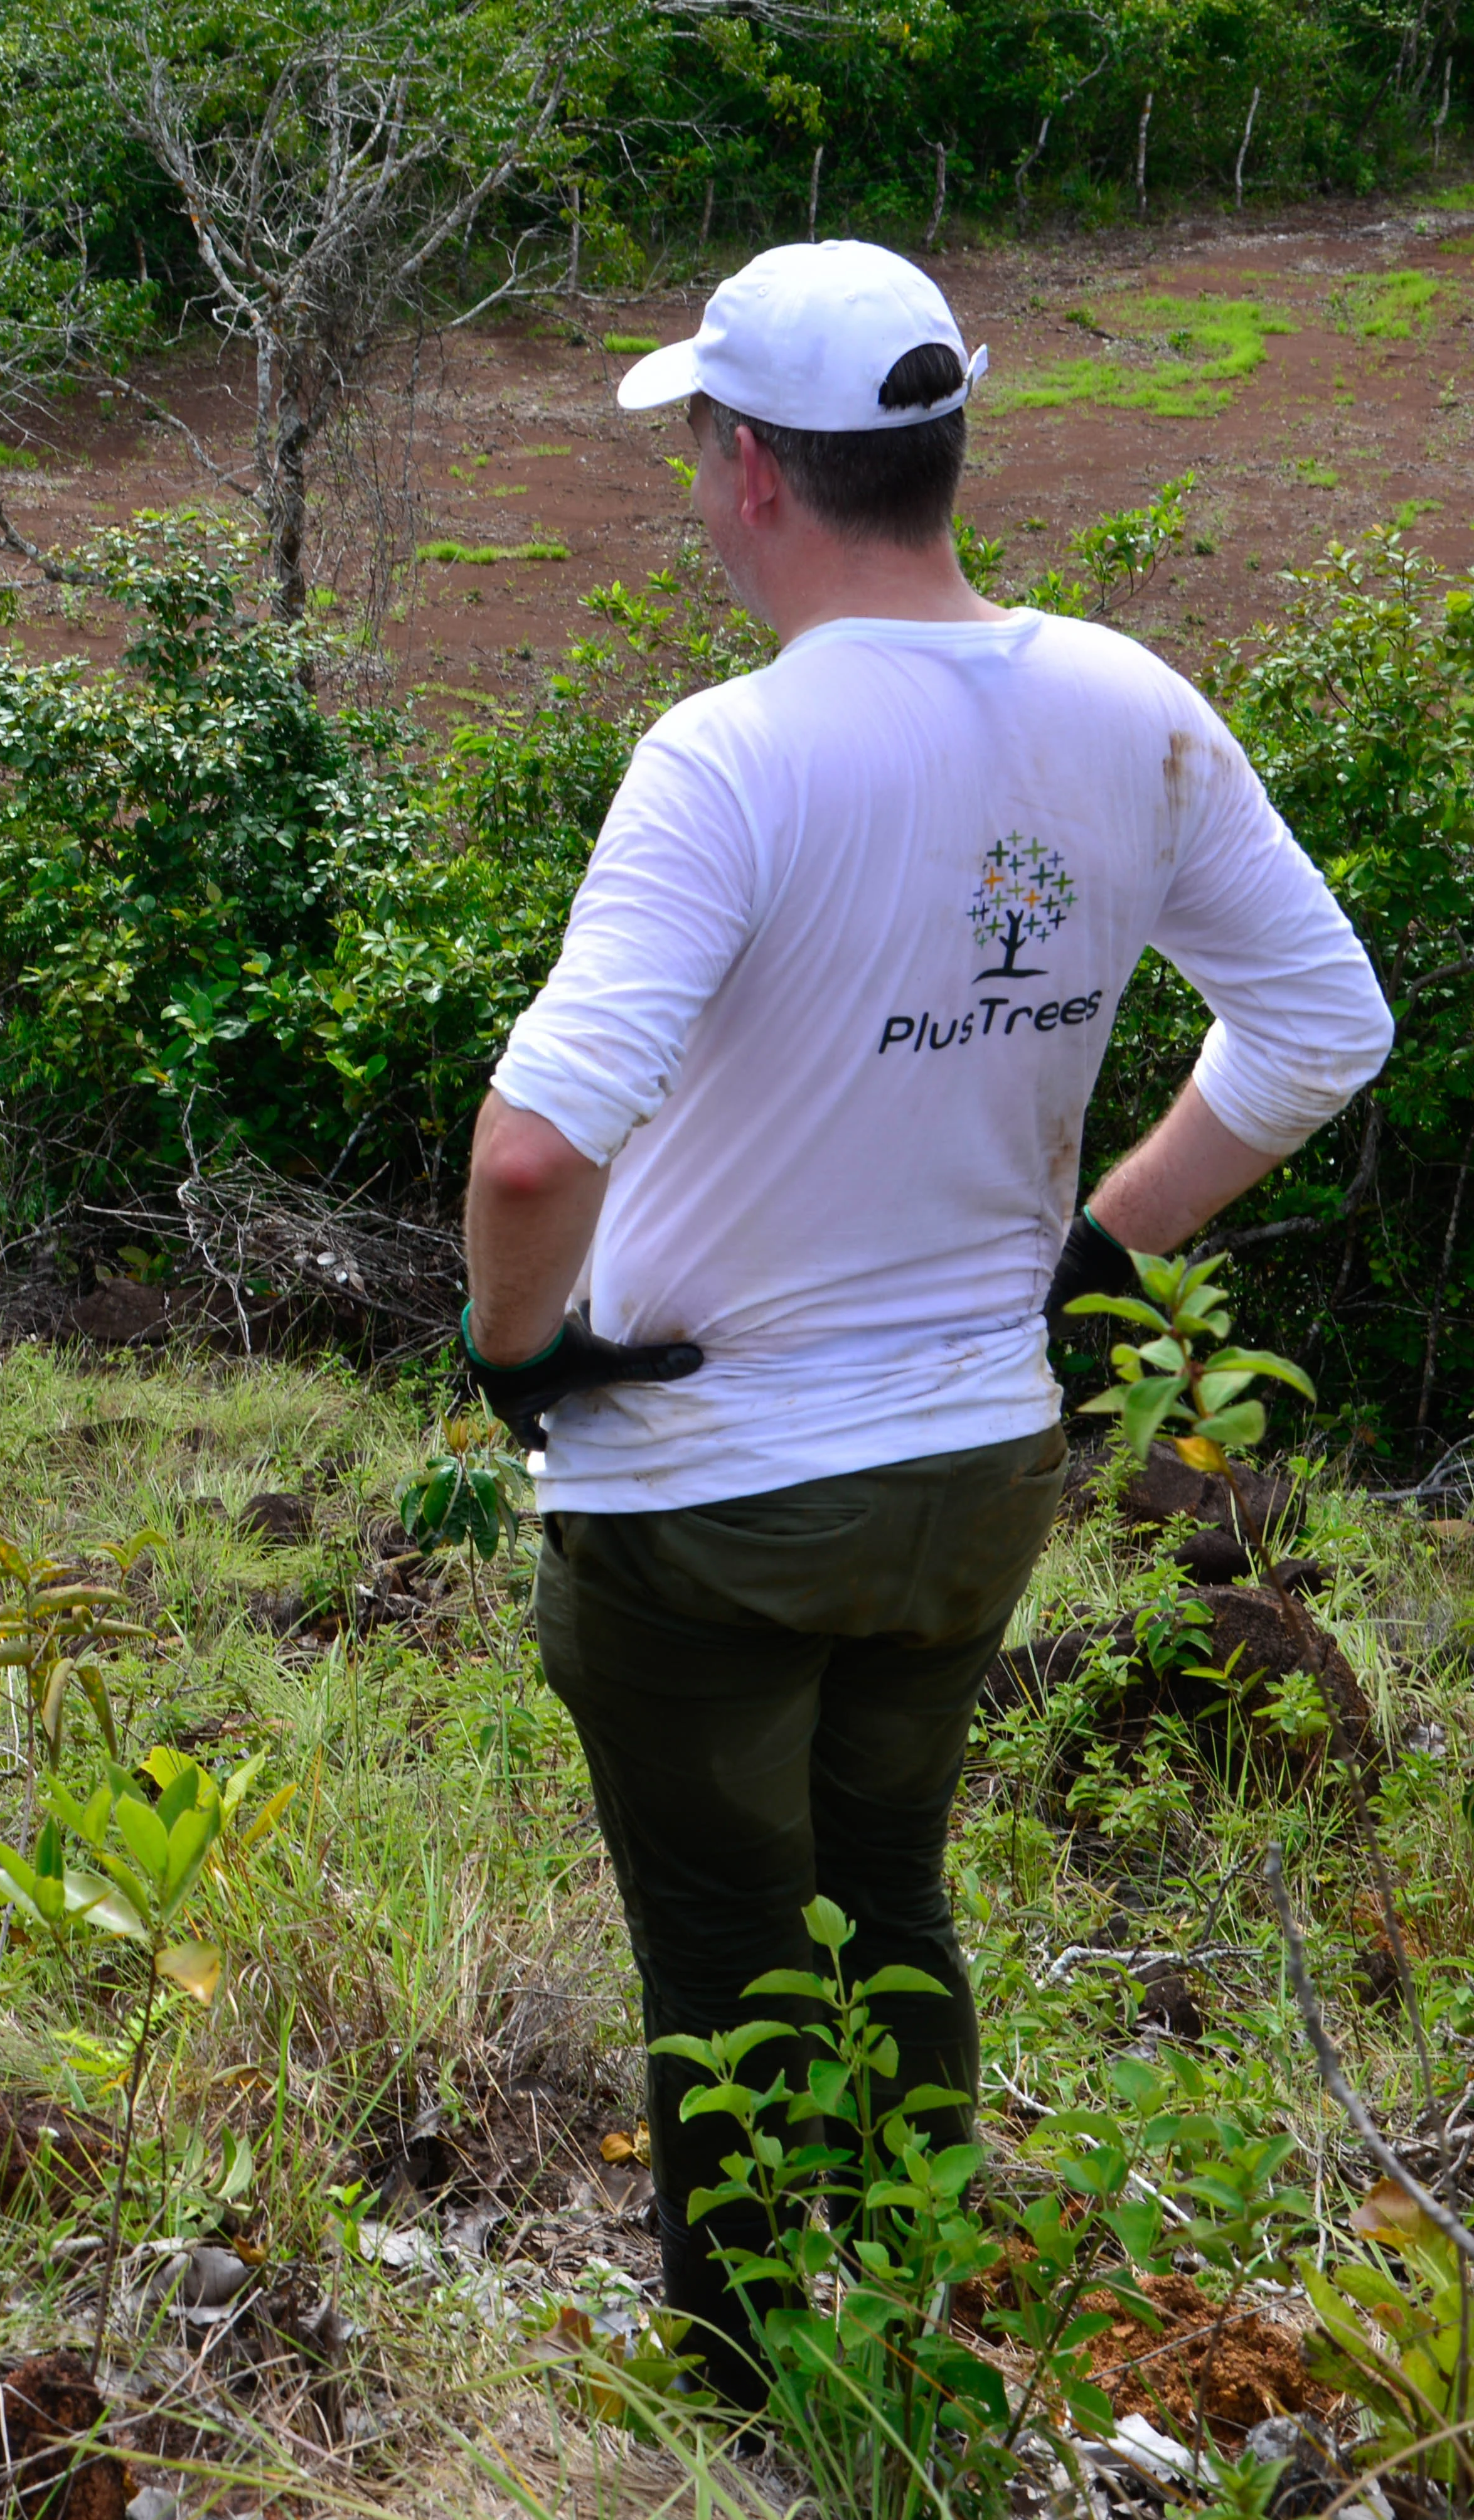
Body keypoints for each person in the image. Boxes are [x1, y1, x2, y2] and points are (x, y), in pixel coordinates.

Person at [460, 240, 1393, 2404]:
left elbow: (529, 1152)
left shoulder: (724, 757)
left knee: (722, 1955)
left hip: (704, 1490)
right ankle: (898, 2332)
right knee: (886, 1902)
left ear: (748, 467)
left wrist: (519, 1356)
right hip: (969, 1470)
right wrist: (1098, 1244)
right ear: (935, 446)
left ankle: (744, 2391)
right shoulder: (1126, 701)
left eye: (698, 447)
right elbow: (1315, 1022)